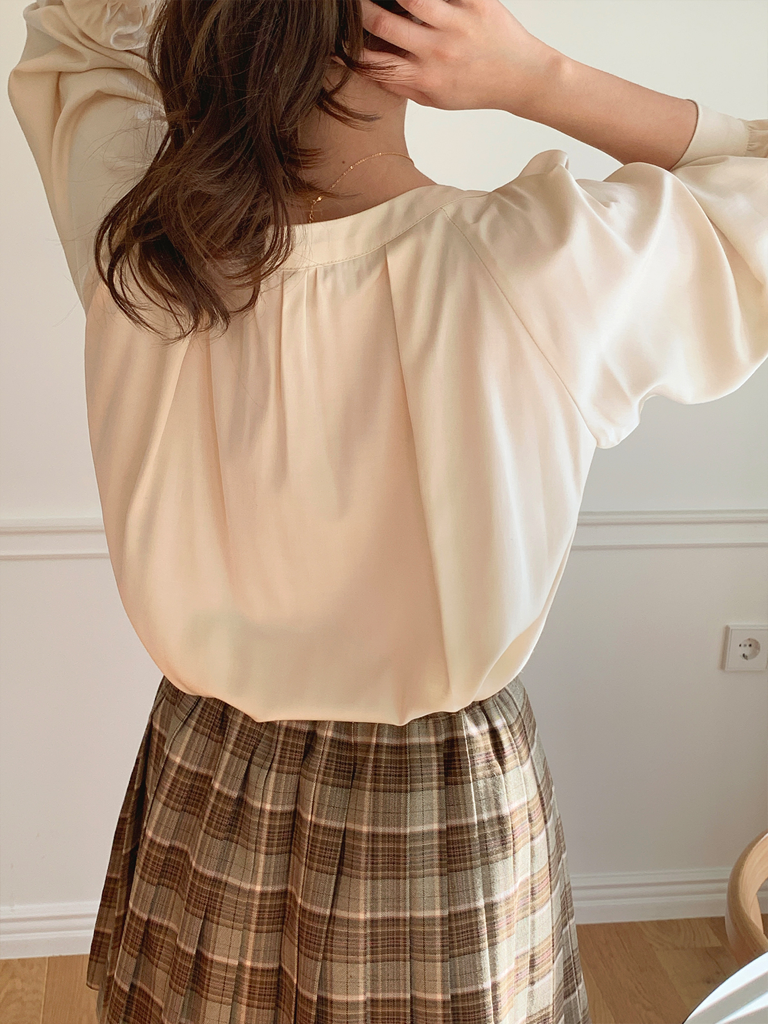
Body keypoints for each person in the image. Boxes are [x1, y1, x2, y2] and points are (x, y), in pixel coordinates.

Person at [7, 0, 766, 1021]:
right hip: (437, 801)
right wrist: (538, 79)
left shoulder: (143, 254)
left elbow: (71, 36)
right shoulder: (543, 263)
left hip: (207, 776)